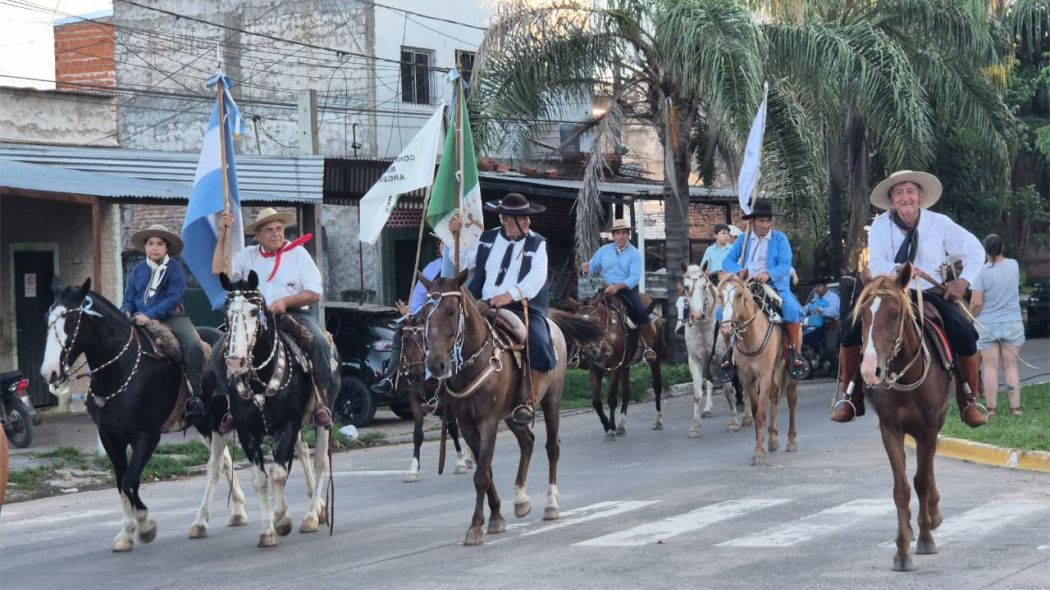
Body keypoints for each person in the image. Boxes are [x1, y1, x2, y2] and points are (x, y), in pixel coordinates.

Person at [831, 170, 986, 427]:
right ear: (892, 199)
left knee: (964, 330)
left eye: (910, 191)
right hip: (890, 293)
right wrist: (899, 271)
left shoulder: (941, 223)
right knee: (851, 327)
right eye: (899, 192)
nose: (905, 197)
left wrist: (962, 281)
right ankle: (850, 396)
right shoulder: (880, 226)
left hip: (929, 293)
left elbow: (975, 250)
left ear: (920, 197)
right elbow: (878, 263)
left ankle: (968, 399)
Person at [218, 208, 333, 427]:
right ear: (258, 235)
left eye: (279, 229)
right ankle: (230, 405)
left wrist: (285, 303)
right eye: (269, 230)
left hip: (294, 314)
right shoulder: (246, 256)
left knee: (319, 342)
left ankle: (320, 400)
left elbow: (314, 292)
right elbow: (220, 271)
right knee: (220, 350)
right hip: (254, 318)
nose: (276, 234)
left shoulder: (298, 254)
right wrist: (223, 233)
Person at [467, 193, 554, 424]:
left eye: (527, 217)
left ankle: (528, 398)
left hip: (521, 306)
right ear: (505, 218)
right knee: (451, 333)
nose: (527, 222)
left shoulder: (538, 243)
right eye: (521, 218)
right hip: (482, 304)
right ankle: (440, 389)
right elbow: (466, 262)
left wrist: (509, 295)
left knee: (540, 341)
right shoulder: (486, 239)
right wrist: (454, 236)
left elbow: (536, 278)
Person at [122, 224, 205, 418]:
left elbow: (173, 297)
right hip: (138, 317)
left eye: (160, 244)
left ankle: (196, 394)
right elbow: (129, 297)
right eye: (150, 243)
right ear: (145, 247)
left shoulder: (175, 269)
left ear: (167, 248)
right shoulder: (137, 270)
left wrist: (150, 315)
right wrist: (125, 310)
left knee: (193, 346)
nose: (155, 248)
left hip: (172, 316)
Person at [721, 199, 806, 369]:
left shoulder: (780, 239)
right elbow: (727, 261)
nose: (765, 225)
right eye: (761, 221)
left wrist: (769, 274)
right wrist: (739, 270)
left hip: (774, 286)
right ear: (752, 222)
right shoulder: (743, 240)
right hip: (747, 286)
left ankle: (793, 352)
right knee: (720, 313)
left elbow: (785, 265)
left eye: (768, 221)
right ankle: (729, 352)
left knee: (792, 309)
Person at [581, 215, 657, 361]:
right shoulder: (603, 250)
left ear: (628, 234)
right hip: (604, 287)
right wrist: (585, 268)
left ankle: (648, 347)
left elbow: (635, 277)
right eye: (618, 233)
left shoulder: (635, 253)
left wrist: (617, 287)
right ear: (613, 235)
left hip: (626, 289)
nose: (621, 236)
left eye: (624, 233)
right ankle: (579, 351)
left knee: (641, 312)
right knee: (585, 309)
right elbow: (592, 266)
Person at [971, 234, 1025, 417]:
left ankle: (992, 410)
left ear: (985, 250)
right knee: (1011, 367)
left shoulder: (981, 272)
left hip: (987, 325)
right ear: (1001, 247)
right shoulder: (1014, 265)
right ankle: (1015, 409)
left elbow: (976, 303)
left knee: (990, 368)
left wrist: (971, 317)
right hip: (1012, 322)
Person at [675, 223, 737, 335]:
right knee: (694, 293)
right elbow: (703, 268)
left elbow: (737, 265)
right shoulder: (710, 250)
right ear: (715, 235)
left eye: (728, 234)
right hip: (712, 279)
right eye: (723, 233)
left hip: (727, 280)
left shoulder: (732, 249)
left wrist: (726, 274)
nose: (726, 236)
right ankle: (684, 321)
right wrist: (707, 274)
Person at [802, 281, 840, 351]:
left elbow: (834, 312)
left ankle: (833, 360)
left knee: (830, 349)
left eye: (819, 286)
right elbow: (805, 309)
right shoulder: (815, 299)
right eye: (816, 287)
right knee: (804, 341)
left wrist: (821, 310)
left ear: (825, 287)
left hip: (830, 327)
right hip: (816, 327)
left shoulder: (833, 297)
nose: (817, 288)